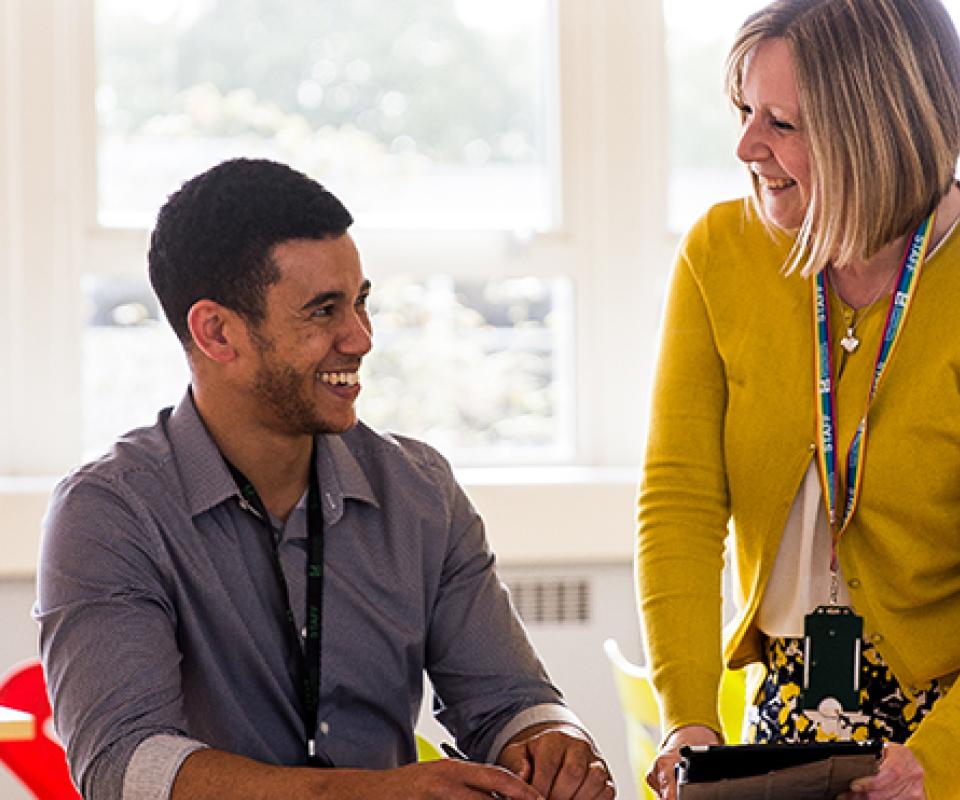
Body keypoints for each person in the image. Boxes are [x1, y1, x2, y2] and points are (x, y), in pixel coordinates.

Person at [636, 1, 960, 799]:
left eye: (782, 123)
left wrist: (945, 755)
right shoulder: (718, 256)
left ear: (874, 133)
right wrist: (688, 714)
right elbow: (679, 504)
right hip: (811, 683)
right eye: (744, 110)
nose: (746, 146)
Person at [36, 158, 615, 800]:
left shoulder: (419, 490)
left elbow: (510, 699)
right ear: (217, 332)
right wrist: (367, 794)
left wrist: (554, 740)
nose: (361, 338)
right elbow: (123, 765)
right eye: (323, 312)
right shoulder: (108, 513)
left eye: (361, 301)